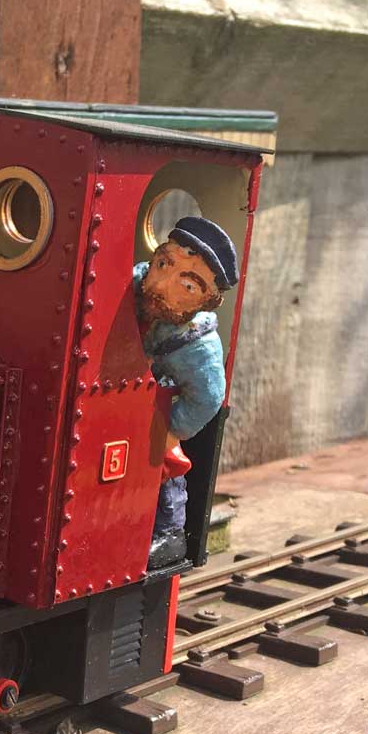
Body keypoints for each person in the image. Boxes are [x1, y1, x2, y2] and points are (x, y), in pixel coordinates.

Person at [133, 215, 237, 569]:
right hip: (121, 389)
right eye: (164, 265)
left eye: (188, 286)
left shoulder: (197, 345)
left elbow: (208, 398)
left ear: (206, 300)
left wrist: (169, 428)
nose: (162, 285)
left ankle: (169, 532)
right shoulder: (136, 283)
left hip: (154, 403)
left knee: (166, 461)